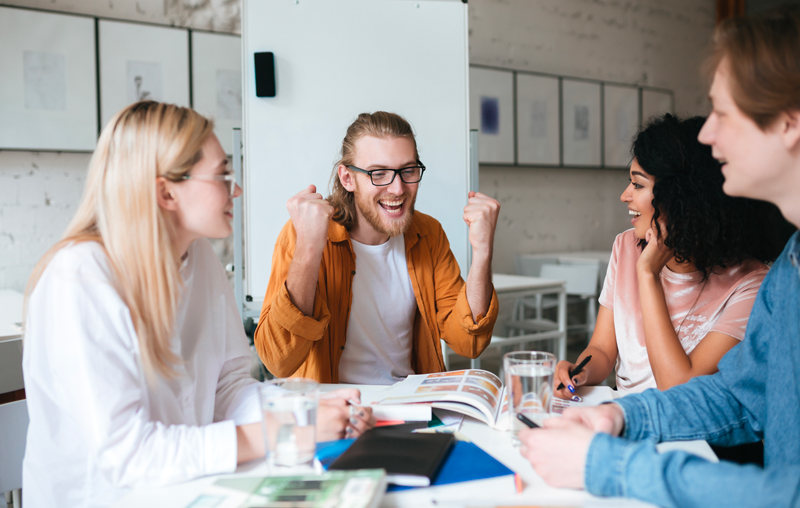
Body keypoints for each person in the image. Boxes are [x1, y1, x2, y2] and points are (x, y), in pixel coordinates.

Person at [22, 101, 374, 507]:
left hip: (191, 491)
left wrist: (306, 410)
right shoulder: (81, 277)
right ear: (166, 191)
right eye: (223, 175)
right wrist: (286, 432)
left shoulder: (200, 257)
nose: (236, 189)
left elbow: (228, 388)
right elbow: (130, 455)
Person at [520, 6, 800, 507]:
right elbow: (740, 396)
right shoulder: (791, 270)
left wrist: (608, 465)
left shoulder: (760, 279)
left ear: (789, 123)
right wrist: (624, 417)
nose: (708, 136)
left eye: (722, 112)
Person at [554, 114, 787, 401]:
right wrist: (580, 372)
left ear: (680, 199)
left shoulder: (751, 285)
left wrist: (648, 274)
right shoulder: (626, 246)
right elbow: (601, 350)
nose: (624, 195)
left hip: (692, 438)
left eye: (637, 185)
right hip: (620, 419)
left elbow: (679, 388)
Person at [255, 111, 500, 383]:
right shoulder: (303, 234)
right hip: (336, 413)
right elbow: (278, 361)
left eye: (408, 171)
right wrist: (309, 248)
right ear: (347, 178)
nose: (397, 189)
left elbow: (469, 342)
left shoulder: (428, 234)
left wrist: (483, 252)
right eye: (378, 173)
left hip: (411, 408)